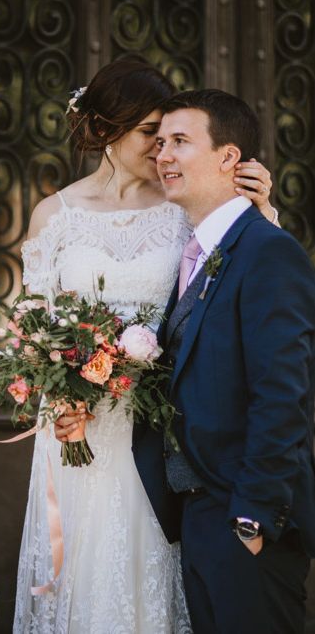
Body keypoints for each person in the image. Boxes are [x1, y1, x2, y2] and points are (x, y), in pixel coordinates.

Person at [14, 59, 275, 633]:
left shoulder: (183, 209)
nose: (160, 150)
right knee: (87, 579)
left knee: (155, 571)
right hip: (79, 427)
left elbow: (234, 290)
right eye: (148, 134)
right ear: (107, 127)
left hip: (160, 426)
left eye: (168, 137)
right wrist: (60, 396)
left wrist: (262, 214)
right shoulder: (54, 216)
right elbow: (32, 328)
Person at [132, 89, 315, 633]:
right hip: (199, 515)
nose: (162, 154)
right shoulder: (196, 253)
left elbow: (283, 395)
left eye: (180, 142)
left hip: (246, 519)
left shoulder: (268, 250)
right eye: (159, 142)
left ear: (229, 157)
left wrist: (252, 518)